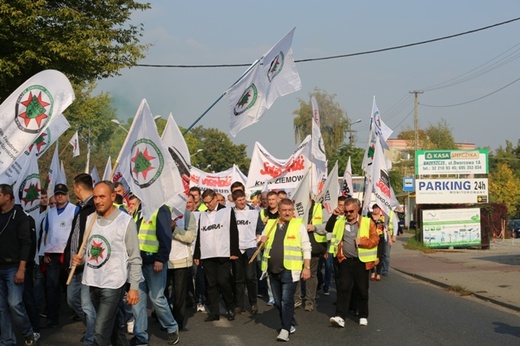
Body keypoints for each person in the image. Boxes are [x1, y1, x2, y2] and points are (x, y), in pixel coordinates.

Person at [71, 181, 143, 346]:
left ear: (112, 196)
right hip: (92, 281)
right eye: (95, 197)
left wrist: (134, 287)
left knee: (100, 331)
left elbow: (135, 258)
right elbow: (88, 252)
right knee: (115, 328)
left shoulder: (125, 222)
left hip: (113, 283)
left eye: (102, 196)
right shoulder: (90, 219)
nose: (97, 201)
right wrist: (80, 259)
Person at [259, 198, 311, 342]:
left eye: (290, 210)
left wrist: (306, 267)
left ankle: (285, 329)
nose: (287, 213)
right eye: (284, 210)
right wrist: (260, 241)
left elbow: (306, 246)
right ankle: (289, 322)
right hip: (272, 269)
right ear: (279, 211)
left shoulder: (298, 225)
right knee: (277, 301)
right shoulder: (270, 224)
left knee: (286, 301)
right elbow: (261, 244)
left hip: (290, 269)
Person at [131, 202, 180, 346]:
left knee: (157, 298)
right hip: (138, 262)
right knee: (137, 300)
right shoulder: (138, 209)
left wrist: (161, 258)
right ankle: (140, 336)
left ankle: (171, 327)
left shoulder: (161, 209)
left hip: (154, 262)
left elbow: (165, 236)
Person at [326, 198, 379, 328]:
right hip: (344, 260)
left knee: (361, 290)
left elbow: (375, 239)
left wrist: (363, 241)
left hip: (361, 262)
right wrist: (334, 215)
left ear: (357, 209)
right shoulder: (341, 221)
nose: (348, 214)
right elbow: (328, 228)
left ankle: (363, 315)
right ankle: (340, 316)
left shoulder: (367, 222)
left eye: (351, 211)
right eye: (346, 211)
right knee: (343, 288)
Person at [193, 189, 239, 322]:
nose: (208, 205)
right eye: (205, 203)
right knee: (211, 284)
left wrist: (234, 251)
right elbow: (200, 235)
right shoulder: (203, 215)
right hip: (208, 254)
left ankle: (230, 307)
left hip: (223, 253)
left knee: (223, 281)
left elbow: (233, 230)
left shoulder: (226, 211)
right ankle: (214, 312)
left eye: (209, 202)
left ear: (215, 199)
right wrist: (197, 253)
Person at [0, 184, 36, 346]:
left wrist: (22, 269)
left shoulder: (20, 216)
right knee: (1, 308)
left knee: (15, 304)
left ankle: (28, 332)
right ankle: (7, 341)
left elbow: (26, 243)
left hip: (14, 267)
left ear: (7, 197)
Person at [63, 173, 97, 345]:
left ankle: (91, 339)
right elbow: (75, 235)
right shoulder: (81, 208)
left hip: (88, 266)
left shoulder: (94, 208)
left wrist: (85, 257)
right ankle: (94, 328)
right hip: (74, 265)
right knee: (71, 300)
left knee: (87, 305)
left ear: (78, 187)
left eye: (73, 187)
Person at [42, 183, 79, 328]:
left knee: (71, 286)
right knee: (51, 286)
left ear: (67, 195)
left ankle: (78, 311)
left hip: (68, 254)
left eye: (62, 194)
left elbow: (78, 233)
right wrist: (45, 252)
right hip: (52, 255)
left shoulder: (74, 210)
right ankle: (52, 318)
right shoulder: (50, 212)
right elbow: (47, 233)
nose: (59, 196)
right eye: (57, 194)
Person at [166, 197, 197, 330]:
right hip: (163, 259)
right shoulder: (161, 212)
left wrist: (174, 229)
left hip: (180, 260)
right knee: (162, 293)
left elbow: (190, 237)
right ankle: (165, 319)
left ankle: (178, 321)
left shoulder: (187, 214)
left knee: (179, 294)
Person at [294, 198, 327, 312]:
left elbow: (329, 225)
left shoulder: (320, 207)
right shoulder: (296, 204)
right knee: (297, 273)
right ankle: (297, 299)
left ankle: (309, 301)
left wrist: (315, 227)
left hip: (314, 247)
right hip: (296, 246)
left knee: (311, 274)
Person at [231, 189, 259, 315]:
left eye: (243, 199)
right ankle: (239, 304)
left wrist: (259, 235)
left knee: (250, 277)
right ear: (234, 201)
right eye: (239, 200)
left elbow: (259, 228)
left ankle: (253, 302)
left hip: (250, 249)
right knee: (238, 278)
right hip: (236, 249)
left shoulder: (253, 212)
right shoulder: (230, 213)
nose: (242, 202)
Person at [369, 204, 386, 282]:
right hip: (371, 238)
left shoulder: (383, 218)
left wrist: (390, 238)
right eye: (374, 208)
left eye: (377, 208)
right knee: (372, 255)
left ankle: (378, 273)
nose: (375, 210)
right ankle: (372, 272)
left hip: (380, 238)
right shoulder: (369, 217)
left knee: (380, 255)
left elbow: (386, 228)